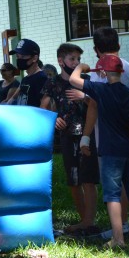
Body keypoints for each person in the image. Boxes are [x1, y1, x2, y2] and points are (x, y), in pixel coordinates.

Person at [70, 55, 129, 248]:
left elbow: (73, 80)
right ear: (120, 72)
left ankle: (118, 238)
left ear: (102, 73)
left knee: (112, 195)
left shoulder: (100, 90)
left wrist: (82, 67)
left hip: (110, 151)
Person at [70, 26, 129, 237]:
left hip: (110, 136)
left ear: (96, 50)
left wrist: (85, 136)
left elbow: (94, 105)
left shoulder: (100, 73)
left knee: (115, 182)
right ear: (118, 45)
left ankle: (122, 226)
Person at [41, 43, 100, 236]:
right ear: (61, 61)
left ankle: (89, 221)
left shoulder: (85, 80)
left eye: (78, 59)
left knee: (88, 179)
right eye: (72, 59)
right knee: (73, 180)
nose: (76, 63)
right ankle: (84, 220)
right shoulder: (52, 83)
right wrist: (53, 119)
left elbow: (96, 103)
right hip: (67, 136)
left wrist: (84, 96)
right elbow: (44, 107)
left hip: (86, 134)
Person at [5, 39, 46, 106]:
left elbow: (44, 107)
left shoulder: (41, 79)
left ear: (35, 58)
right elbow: (11, 100)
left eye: (23, 56)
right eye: (18, 56)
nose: (19, 59)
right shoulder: (25, 79)